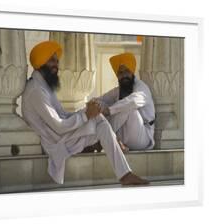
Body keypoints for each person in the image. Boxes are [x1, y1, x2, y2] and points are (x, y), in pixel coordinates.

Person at [21, 41, 149, 185]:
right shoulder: (36, 91)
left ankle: (119, 164)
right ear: (41, 61)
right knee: (99, 121)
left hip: (61, 136)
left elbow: (63, 114)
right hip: (55, 141)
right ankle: (124, 173)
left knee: (98, 120)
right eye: (52, 60)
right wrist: (85, 115)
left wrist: (86, 112)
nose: (56, 64)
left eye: (57, 61)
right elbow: (59, 126)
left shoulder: (43, 86)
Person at [95, 53, 155, 152]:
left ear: (132, 71)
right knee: (99, 105)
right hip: (122, 134)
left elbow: (133, 101)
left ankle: (101, 140)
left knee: (128, 107)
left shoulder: (141, 87)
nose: (124, 75)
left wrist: (109, 110)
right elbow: (98, 100)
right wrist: (94, 108)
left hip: (142, 137)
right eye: (120, 73)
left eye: (127, 71)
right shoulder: (117, 91)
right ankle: (104, 139)